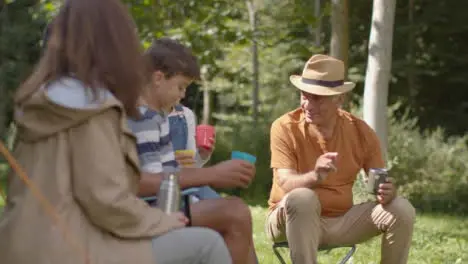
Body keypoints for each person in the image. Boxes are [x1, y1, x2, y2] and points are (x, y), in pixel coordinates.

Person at [0, 1, 232, 264]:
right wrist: (162, 220)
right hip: (70, 249)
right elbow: (105, 200)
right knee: (207, 245)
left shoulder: (42, 99)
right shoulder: (90, 108)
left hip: (20, 244)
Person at [266, 54, 416, 264]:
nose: (307, 104)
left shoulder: (360, 132)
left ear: (340, 98)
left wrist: (387, 192)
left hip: (340, 222)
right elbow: (286, 182)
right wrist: (315, 176)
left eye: (317, 97)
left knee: (402, 208)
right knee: (302, 197)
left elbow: (378, 184)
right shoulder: (284, 127)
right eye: (304, 95)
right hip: (291, 220)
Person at [127, 38, 258, 264]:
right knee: (235, 213)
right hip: (154, 212)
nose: (183, 95)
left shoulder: (156, 116)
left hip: (166, 204)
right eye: (180, 86)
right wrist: (215, 174)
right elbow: (151, 182)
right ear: (158, 78)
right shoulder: (143, 119)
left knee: (236, 212)